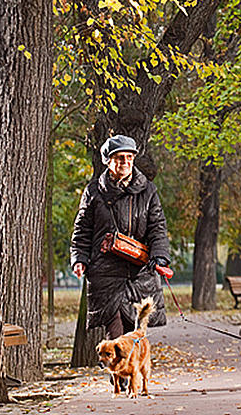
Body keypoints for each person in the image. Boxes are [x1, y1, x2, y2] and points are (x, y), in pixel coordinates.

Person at [71, 134, 171, 342]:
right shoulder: (93, 192)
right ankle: (118, 376)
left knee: (135, 339)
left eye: (129, 157)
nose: (125, 162)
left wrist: (159, 256)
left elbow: (157, 227)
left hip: (139, 274)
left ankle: (129, 375)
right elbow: (82, 230)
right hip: (105, 275)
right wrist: (79, 259)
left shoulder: (149, 191)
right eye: (119, 158)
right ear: (108, 160)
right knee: (116, 338)